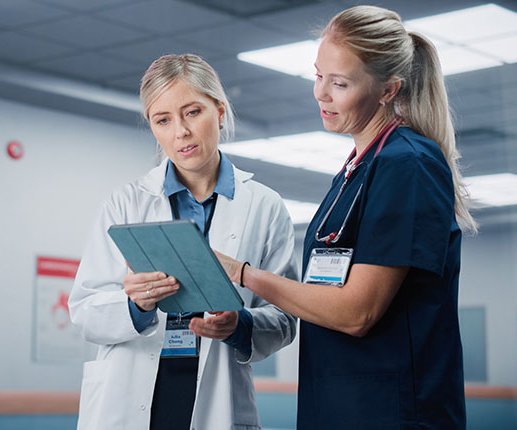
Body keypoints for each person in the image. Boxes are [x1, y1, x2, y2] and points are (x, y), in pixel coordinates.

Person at [213, 5, 477, 429]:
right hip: (339, 404)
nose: (321, 93)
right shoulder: (357, 169)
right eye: (318, 76)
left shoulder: (408, 164)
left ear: (388, 90)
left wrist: (243, 274)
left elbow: (358, 313)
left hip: (394, 413)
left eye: (340, 83)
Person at [68, 53, 298, 430]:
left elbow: (285, 319)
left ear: (219, 112)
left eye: (193, 112)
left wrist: (238, 325)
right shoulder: (126, 203)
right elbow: (85, 310)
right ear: (152, 126)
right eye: (163, 120)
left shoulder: (264, 205)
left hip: (217, 396)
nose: (181, 132)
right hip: (128, 398)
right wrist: (136, 306)